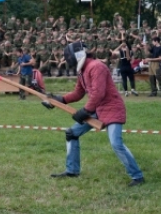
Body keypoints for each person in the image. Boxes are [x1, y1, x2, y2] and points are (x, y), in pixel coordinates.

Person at [46, 41, 144, 187]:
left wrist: (85, 111)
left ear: (77, 55)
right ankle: (72, 170)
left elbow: (99, 93)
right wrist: (60, 100)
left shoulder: (96, 66)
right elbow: (78, 93)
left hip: (112, 108)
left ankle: (137, 176)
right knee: (72, 133)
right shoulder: (83, 70)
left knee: (116, 143)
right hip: (97, 109)